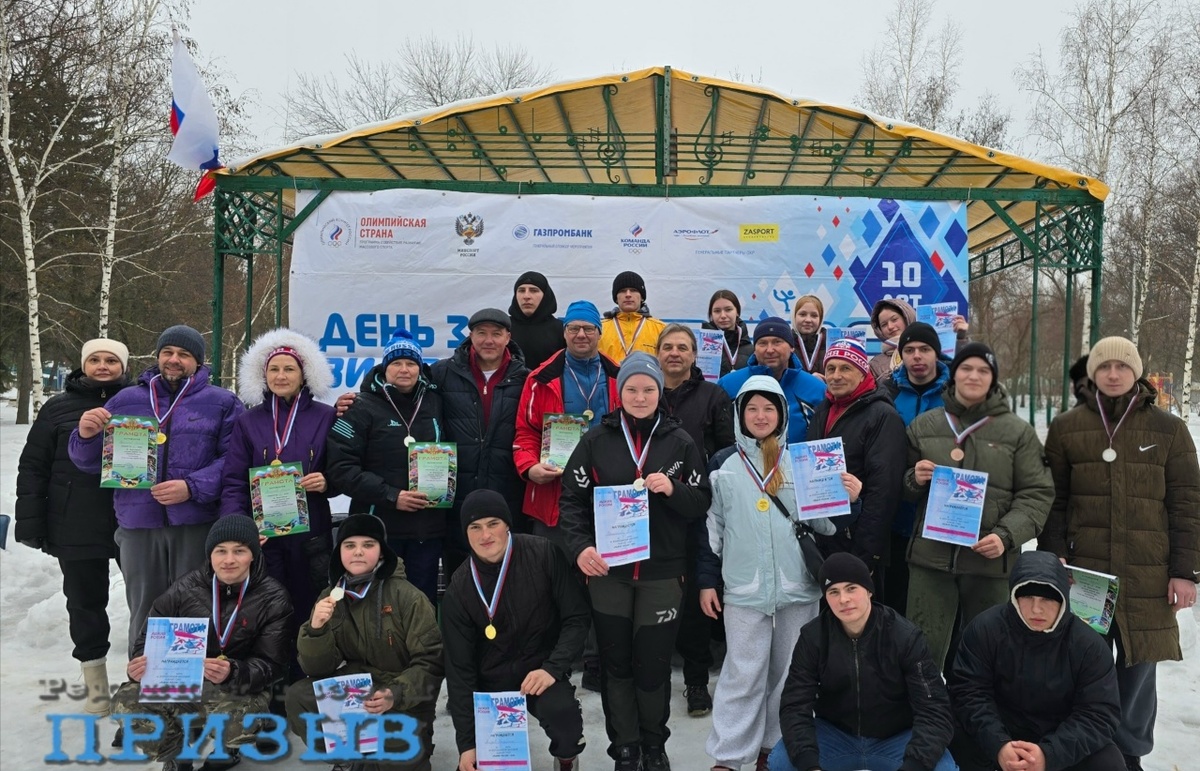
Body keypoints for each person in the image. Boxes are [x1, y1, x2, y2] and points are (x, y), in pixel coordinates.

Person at [1038, 336, 1199, 770]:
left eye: (1122, 366)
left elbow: (1187, 504)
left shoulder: (1169, 429)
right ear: (1093, 373)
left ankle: (1129, 756)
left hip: (1147, 575)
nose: (1113, 374)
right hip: (1084, 575)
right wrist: (1054, 558)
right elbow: (1054, 501)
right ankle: (1082, 750)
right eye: (1104, 366)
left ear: (1136, 372)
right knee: (1080, 664)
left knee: (1138, 671)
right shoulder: (1068, 427)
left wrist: (1185, 571)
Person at [558, 352, 712, 771]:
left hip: (662, 574)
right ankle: (624, 747)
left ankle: (654, 745)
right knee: (617, 665)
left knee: (653, 667)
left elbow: (701, 502)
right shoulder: (596, 440)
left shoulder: (680, 441)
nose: (640, 397)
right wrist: (580, 548)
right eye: (632, 389)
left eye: (648, 389)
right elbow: (571, 501)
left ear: (659, 393)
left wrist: (673, 490)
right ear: (620, 392)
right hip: (610, 574)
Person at [70, 324, 244, 658]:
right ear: (158, 356)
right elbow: (89, 463)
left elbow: (233, 460)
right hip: (138, 523)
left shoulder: (222, 402)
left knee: (194, 605)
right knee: (144, 606)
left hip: (195, 522)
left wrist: (191, 487)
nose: (174, 359)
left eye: (184, 354)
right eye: (168, 352)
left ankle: (191, 680)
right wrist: (86, 436)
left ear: (198, 361)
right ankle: (143, 678)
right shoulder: (128, 399)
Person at [697, 376, 836, 771]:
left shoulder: (801, 460)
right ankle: (729, 756)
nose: (761, 416)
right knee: (742, 672)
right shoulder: (722, 464)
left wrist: (848, 497)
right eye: (753, 409)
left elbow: (827, 526)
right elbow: (711, 529)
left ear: (782, 414)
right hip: (744, 586)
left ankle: (773, 749)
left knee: (791, 672)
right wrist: (707, 581)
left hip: (798, 584)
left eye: (769, 408)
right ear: (740, 415)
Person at [904, 342, 1053, 670]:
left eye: (983, 370)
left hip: (990, 565)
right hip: (930, 562)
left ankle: (975, 706)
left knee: (986, 659)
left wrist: (1005, 536)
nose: (974, 376)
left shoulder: (1019, 432)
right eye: (966, 368)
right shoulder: (924, 426)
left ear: (993, 378)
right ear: (953, 374)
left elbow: (1037, 494)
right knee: (922, 656)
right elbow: (900, 489)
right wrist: (913, 478)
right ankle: (927, 705)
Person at [111, 515, 292, 771]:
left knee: (240, 720)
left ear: (254, 554)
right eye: (221, 551)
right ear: (210, 554)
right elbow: (148, 638)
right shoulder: (184, 588)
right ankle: (177, 754)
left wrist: (234, 672)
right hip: (181, 682)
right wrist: (140, 667)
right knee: (126, 704)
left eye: (239, 551)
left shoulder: (273, 597)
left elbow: (273, 664)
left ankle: (227, 751)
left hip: (238, 688)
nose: (229, 560)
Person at [16, 338, 131, 716]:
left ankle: (147, 684)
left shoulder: (139, 404)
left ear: (124, 367)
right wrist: (31, 522)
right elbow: (33, 467)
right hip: (75, 521)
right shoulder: (57, 408)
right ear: (83, 365)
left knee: (148, 600)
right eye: (95, 359)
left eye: (111, 360)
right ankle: (95, 684)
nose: (103, 366)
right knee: (84, 603)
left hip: (132, 519)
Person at [442, 490, 590, 771]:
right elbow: (459, 672)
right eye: (475, 527)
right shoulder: (458, 590)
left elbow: (577, 617)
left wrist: (552, 668)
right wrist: (467, 744)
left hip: (540, 670)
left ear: (507, 524)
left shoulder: (544, 554)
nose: (485, 535)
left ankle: (567, 758)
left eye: (493, 523)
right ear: (465, 533)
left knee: (562, 714)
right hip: (490, 683)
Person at [219, 328, 337, 679]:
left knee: (308, 607)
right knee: (267, 611)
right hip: (264, 539)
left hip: (311, 535)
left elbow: (344, 469)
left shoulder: (326, 416)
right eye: (274, 369)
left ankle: (304, 682)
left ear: (304, 374)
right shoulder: (248, 421)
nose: (281, 376)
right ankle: (269, 684)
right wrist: (240, 532)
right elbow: (233, 480)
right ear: (263, 374)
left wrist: (328, 482)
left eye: (289, 369)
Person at [768, 553, 957, 771]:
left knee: (943, 769)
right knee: (781, 763)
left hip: (897, 739)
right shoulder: (813, 637)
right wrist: (809, 764)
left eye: (851, 588)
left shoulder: (905, 637)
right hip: (835, 736)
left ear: (869, 590)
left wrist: (915, 765)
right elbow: (795, 704)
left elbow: (934, 709)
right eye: (833, 592)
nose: (843, 599)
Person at [285, 513, 444, 771]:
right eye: (349, 545)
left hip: (401, 700)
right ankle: (347, 756)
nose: (358, 552)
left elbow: (431, 663)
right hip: (354, 695)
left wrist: (394, 695)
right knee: (299, 696)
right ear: (339, 553)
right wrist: (315, 630)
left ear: (382, 552)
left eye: (368, 544)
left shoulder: (408, 597)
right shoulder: (330, 597)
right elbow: (318, 670)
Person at [948, 551, 1124, 771]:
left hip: (1059, 737)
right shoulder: (985, 629)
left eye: (1047, 599)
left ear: (1063, 599)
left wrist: (1049, 755)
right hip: (998, 733)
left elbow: (1098, 713)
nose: (1036, 609)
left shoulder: (1089, 646)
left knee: (1108, 762)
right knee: (950, 730)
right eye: (1027, 597)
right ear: (1014, 596)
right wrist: (999, 745)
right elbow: (968, 692)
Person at [324, 328, 446, 605]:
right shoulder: (359, 406)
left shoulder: (436, 402)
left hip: (426, 528)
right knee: (376, 604)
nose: (404, 369)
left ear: (420, 368)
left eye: (411, 363)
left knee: (421, 604)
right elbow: (341, 469)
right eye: (396, 363)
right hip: (378, 527)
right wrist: (392, 495)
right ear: (384, 367)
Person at [656, 324, 735, 718]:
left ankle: (697, 681)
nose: (675, 353)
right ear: (657, 353)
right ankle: (650, 679)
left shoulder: (713, 396)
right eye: (667, 347)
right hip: (651, 513)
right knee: (653, 596)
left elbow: (726, 453)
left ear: (694, 354)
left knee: (696, 598)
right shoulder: (644, 392)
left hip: (697, 511)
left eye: (682, 347)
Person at [431, 308, 529, 574]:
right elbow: (402, 388)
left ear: (508, 337)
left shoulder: (526, 378)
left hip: (507, 491)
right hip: (456, 496)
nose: (489, 340)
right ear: (470, 336)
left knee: (508, 575)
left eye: (496, 334)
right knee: (459, 574)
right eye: (481, 333)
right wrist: (363, 393)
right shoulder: (442, 373)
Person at [513, 299, 621, 540]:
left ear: (599, 333)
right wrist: (529, 467)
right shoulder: (539, 379)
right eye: (573, 328)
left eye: (588, 328)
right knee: (552, 562)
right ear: (564, 333)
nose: (581, 334)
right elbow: (526, 432)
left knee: (601, 562)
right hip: (556, 493)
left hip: (608, 493)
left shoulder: (620, 376)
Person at [806, 339, 905, 583]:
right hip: (825, 536)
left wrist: (865, 555)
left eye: (846, 368)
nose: (836, 376)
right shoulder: (823, 410)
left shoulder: (882, 415)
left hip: (857, 543)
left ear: (862, 373)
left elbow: (884, 492)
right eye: (831, 368)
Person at [877, 322, 951, 614]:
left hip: (943, 515)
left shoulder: (954, 392)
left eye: (924, 349)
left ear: (936, 353)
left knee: (936, 605)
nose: (916, 356)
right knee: (895, 598)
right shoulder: (887, 391)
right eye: (909, 350)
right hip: (896, 513)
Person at [718, 317, 826, 444]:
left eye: (777, 342)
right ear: (755, 348)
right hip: (742, 456)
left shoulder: (816, 388)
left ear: (792, 347)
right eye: (762, 343)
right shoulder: (728, 385)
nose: (769, 350)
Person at [869, 299, 970, 382]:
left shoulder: (937, 348)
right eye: (884, 324)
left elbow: (963, 368)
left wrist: (961, 338)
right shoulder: (875, 364)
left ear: (906, 317)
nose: (890, 326)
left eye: (894, 319)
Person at [599, 271, 667, 363]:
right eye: (622, 291)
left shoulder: (661, 329)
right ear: (616, 298)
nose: (628, 294)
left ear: (642, 297)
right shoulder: (599, 329)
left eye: (633, 290)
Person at [508, 271, 565, 370]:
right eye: (521, 290)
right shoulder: (504, 328)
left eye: (534, 290)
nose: (526, 296)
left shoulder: (560, 329)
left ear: (545, 295)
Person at [701, 289, 752, 376]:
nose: (723, 316)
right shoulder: (701, 348)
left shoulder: (752, 350)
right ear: (711, 314)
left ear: (737, 312)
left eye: (728, 310)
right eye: (717, 311)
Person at [791, 295, 826, 375]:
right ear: (794, 316)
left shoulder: (830, 344)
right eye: (802, 314)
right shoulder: (786, 343)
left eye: (814, 316)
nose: (808, 320)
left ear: (820, 319)